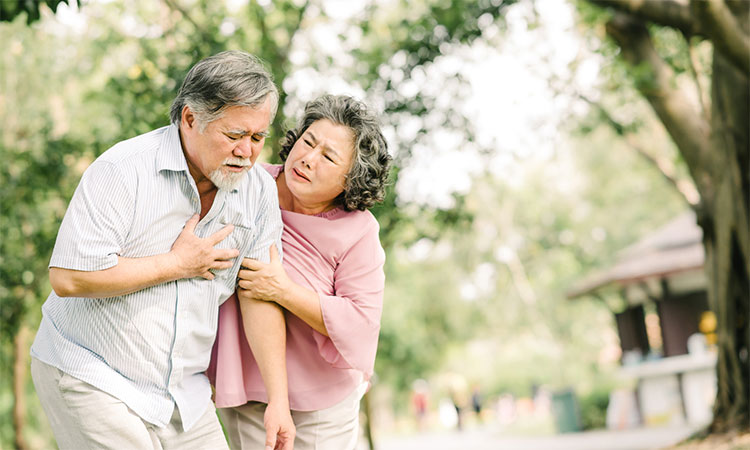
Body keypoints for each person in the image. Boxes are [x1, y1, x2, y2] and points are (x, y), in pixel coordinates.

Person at [30, 51, 295, 449]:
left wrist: (279, 399)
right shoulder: (123, 168)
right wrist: (175, 264)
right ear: (190, 119)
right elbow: (68, 277)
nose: (247, 151)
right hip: (92, 374)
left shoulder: (258, 193)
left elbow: (259, 293)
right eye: (235, 135)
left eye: (258, 138)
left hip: (182, 395)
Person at [208, 94, 391, 449]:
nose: (307, 159)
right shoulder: (246, 184)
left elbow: (361, 323)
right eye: (308, 142)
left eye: (328, 157)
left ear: (350, 181)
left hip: (323, 401)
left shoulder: (358, 231)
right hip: (249, 383)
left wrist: (282, 290)